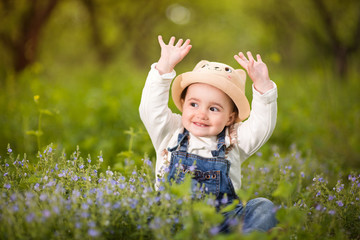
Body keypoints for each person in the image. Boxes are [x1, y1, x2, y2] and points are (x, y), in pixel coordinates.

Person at [139, 35, 278, 233]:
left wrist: (263, 86)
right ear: (184, 104)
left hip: (223, 221)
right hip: (175, 216)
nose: (201, 114)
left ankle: (248, 236)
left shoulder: (233, 139)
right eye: (194, 104)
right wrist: (164, 67)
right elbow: (151, 109)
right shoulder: (170, 130)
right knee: (150, 214)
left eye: (214, 109)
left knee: (263, 207)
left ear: (230, 118)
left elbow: (261, 126)